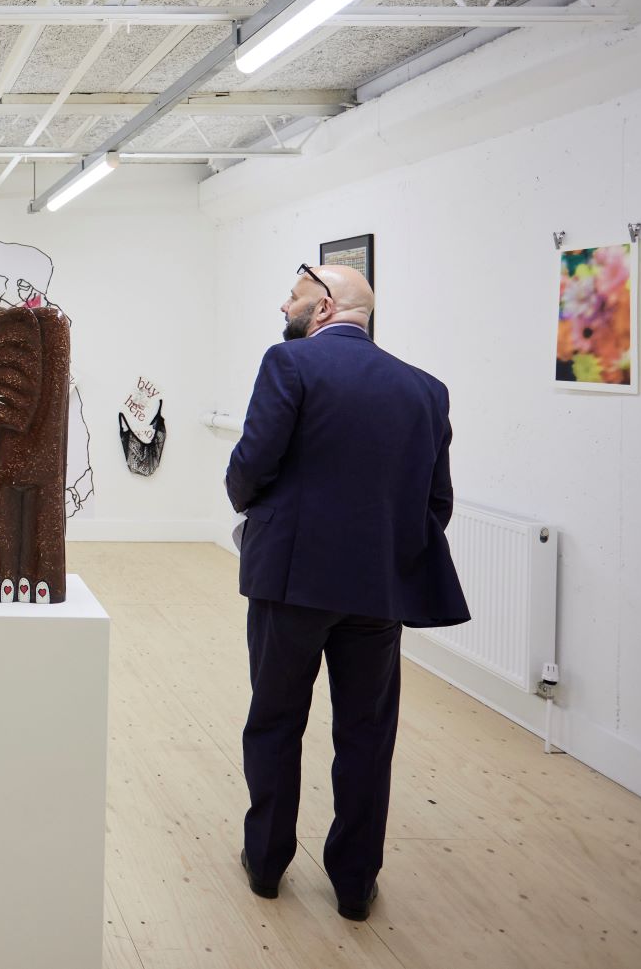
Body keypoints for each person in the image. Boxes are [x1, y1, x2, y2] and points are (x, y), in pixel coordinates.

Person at [225, 263, 469, 922]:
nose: (286, 301)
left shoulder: (290, 364)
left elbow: (250, 465)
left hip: (291, 582)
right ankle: (356, 882)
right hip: (377, 591)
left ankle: (268, 863)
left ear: (327, 305)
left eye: (297, 292)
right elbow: (435, 502)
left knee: (276, 719)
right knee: (366, 733)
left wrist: (251, 507)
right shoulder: (425, 389)